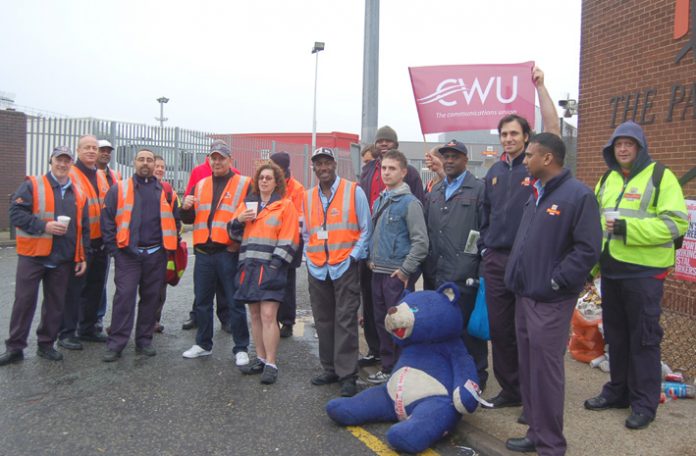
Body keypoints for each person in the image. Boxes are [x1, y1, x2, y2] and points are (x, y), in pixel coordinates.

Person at [583, 121, 688, 430]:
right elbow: (596, 227)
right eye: (618, 144)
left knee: (643, 340)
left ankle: (644, 403)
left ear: (640, 148)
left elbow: (676, 224)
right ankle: (618, 392)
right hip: (612, 272)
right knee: (615, 337)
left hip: (645, 273)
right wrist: (591, 268)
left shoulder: (660, 176)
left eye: (629, 144)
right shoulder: (606, 179)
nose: (623, 149)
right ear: (611, 150)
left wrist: (630, 228)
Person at [504, 133, 602, 455]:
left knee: (546, 373)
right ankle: (536, 432)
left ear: (547, 159)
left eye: (530, 154)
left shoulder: (578, 196)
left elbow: (588, 250)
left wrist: (557, 282)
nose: (525, 159)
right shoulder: (536, 193)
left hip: (550, 299)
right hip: (525, 293)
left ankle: (550, 444)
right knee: (530, 368)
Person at [479, 66, 560, 413]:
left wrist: (541, 88)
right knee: (500, 330)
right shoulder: (494, 172)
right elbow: (484, 215)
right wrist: (484, 246)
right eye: (504, 134)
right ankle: (510, 389)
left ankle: (532, 397)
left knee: (527, 332)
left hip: (528, 262)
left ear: (528, 138)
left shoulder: (537, 167)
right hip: (496, 261)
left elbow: (554, 130)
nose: (509, 139)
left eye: (515, 133)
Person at [0, 146, 89, 366]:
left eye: (67, 161)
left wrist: (81, 256)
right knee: (24, 302)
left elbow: (82, 228)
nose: (62, 164)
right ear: (51, 161)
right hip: (33, 255)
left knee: (55, 303)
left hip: (63, 258)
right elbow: (15, 213)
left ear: (71, 164)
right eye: (59, 160)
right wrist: (43, 226)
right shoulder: (32, 185)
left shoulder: (78, 192)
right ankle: (15, 348)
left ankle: (46, 343)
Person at [100, 149, 180, 362]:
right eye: (141, 159)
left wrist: (167, 249)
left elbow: (176, 220)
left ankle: (144, 341)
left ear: (155, 164)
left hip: (156, 254)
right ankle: (116, 343)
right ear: (135, 163)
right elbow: (107, 220)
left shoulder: (165, 191)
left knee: (150, 299)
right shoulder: (119, 189)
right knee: (124, 297)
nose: (145, 163)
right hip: (128, 255)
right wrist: (115, 251)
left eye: (150, 160)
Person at [422, 139, 489, 389]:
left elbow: (486, 232)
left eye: (455, 156)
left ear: (465, 160)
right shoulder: (436, 192)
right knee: (443, 329)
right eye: (446, 156)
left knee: (469, 334)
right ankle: (449, 373)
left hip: (465, 275)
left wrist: (480, 272)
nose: (449, 161)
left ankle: (477, 377)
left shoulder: (479, 190)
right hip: (437, 275)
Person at [305, 147, 371, 397]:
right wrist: (308, 258)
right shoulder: (308, 196)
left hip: (345, 266)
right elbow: (306, 233)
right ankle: (330, 368)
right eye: (318, 164)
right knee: (323, 320)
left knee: (345, 320)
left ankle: (347, 374)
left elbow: (366, 228)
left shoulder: (354, 191)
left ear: (335, 165)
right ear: (314, 168)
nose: (323, 168)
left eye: (327, 163)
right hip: (318, 268)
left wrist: (354, 257)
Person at [357, 125, 425, 368]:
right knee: (379, 320)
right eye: (384, 168)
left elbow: (420, 240)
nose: (386, 172)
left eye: (392, 169)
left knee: (399, 324)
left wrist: (407, 271)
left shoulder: (410, 202)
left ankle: (400, 367)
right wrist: (369, 259)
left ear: (403, 172)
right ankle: (385, 364)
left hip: (395, 272)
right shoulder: (377, 195)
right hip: (377, 269)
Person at [180, 141, 250, 365]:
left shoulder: (243, 184)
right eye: (214, 158)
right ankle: (203, 344)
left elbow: (252, 217)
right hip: (203, 252)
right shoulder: (200, 184)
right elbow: (189, 219)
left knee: (234, 302)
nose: (217, 162)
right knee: (202, 301)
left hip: (228, 252)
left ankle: (241, 347)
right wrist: (186, 208)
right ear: (209, 160)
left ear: (230, 160)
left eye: (221, 158)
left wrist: (238, 243)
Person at [229, 162, 299, 384]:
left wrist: (275, 265)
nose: (264, 181)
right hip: (248, 267)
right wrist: (239, 221)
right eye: (261, 178)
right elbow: (232, 233)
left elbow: (290, 238)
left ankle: (271, 362)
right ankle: (259, 358)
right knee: (256, 316)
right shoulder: (248, 205)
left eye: (269, 178)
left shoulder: (285, 206)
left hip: (271, 268)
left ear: (276, 182)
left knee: (269, 316)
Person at [59, 135, 111, 350]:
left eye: (94, 148)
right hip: (80, 242)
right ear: (78, 151)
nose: (91, 151)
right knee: (74, 290)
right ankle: (66, 333)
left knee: (95, 288)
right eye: (87, 148)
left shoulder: (100, 175)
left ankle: (88, 328)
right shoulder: (70, 174)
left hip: (100, 242)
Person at [269, 152, 305, 338]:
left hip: (291, 242)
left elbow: (299, 219)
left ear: (281, 168)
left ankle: (288, 322)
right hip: (271, 240)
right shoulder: (271, 184)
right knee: (271, 280)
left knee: (288, 282)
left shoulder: (297, 189)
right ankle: (272, 318)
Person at [96, 139, 121, 333]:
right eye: (101, 150)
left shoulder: (114, 175)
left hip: (106, 235)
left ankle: (96, 319)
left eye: (107, 151)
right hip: (88, 235)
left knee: (100, 282)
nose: (105, 153)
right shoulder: (83, 174)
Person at [152, 155, 178, 333]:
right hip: (139, 247)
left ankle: (154, 320)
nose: (160, 169)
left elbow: (177, 221)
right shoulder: (132, 188)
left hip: (162, 248)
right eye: (157, 166)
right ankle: (122, 323)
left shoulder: (170, 192)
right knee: (128, 289)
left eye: (163, 166)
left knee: (159, 288)